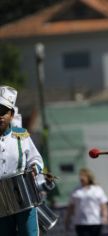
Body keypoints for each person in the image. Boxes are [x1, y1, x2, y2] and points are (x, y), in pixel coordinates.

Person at [0, 85, 44, 236]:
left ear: (11, 114)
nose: (0, 116)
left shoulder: (21, 135)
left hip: (24, 197)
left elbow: (36, 159)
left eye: (3, 112)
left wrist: (34, 168)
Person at [65, 168, 108, 236]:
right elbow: (71, 206)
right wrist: (67, 219)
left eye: (84, 176)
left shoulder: (97, 189)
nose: (81, 178)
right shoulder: (76, 190)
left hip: (95, 221)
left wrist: (105, 216)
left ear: (89, 177)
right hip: (80, 222)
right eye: (80, 176)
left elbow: (103, 205)